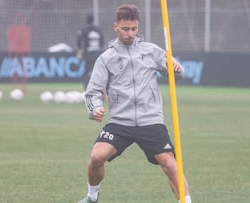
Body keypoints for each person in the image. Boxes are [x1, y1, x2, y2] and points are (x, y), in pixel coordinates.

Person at [79, 4, 191, 203]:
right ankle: (92, 196)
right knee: (96, 158)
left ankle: (186, 201)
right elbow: (92, 92)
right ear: (116, 27)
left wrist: (175, 68)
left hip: (151, 120)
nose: (131, 33)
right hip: (121, 122)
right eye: (125, 29)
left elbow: (177, 74)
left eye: (134, 29)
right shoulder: (106, 58)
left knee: (170, 165)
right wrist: (94, 108)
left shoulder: (151, 51)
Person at [77, 14, 104, 90]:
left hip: (88, 54)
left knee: (86, 71)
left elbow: (79, 40)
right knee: (99, 72)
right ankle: (100, 89)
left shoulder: (84, 30)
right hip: (98, 54)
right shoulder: (99, 30)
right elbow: (102, 41)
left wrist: (80, 50)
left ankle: (86, 88)